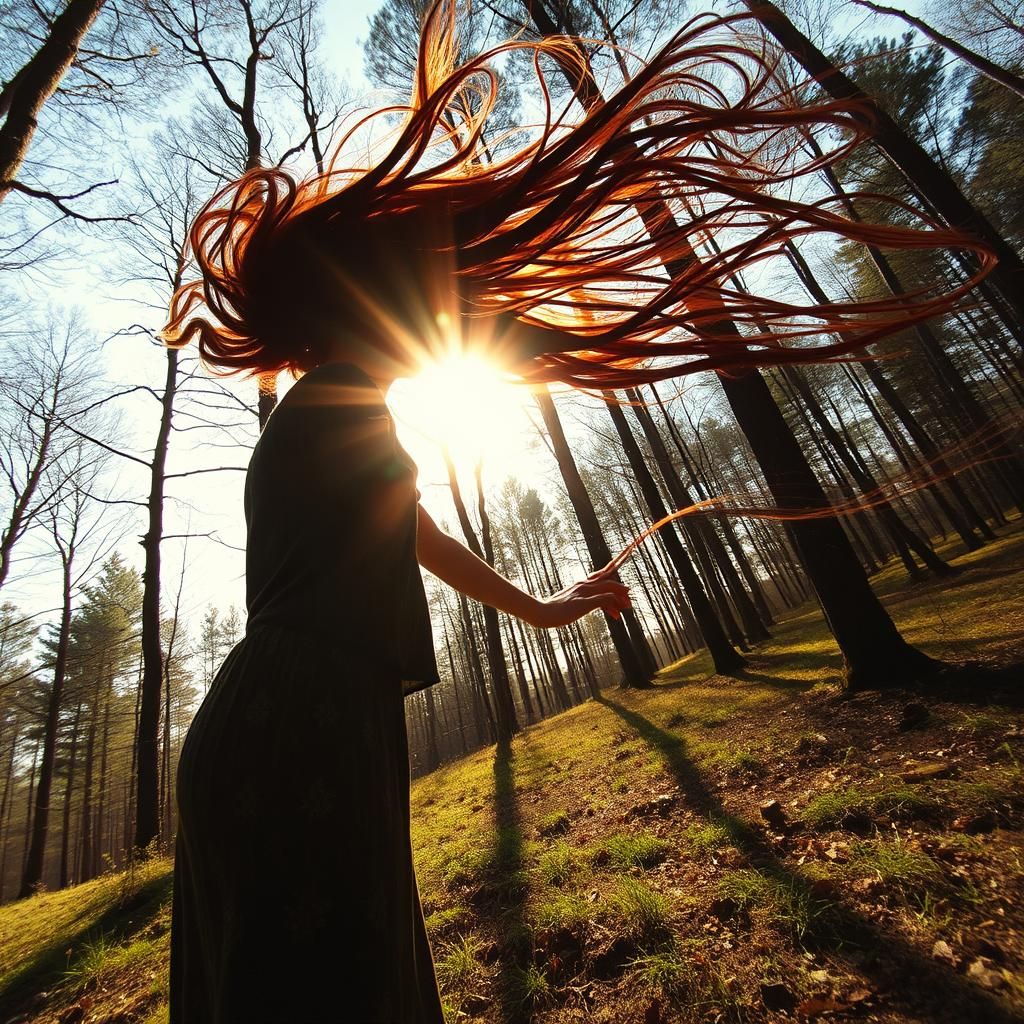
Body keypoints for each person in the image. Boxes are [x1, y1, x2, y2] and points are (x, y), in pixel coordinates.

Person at [164, 4, 987, 1019]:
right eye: (426, 280)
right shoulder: (335, 404)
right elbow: (424, 505)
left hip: (298, 718)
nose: (446, 297)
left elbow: (420, 536)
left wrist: (555, 607)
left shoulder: (341, 415)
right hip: (301, 721)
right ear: (361, 296)